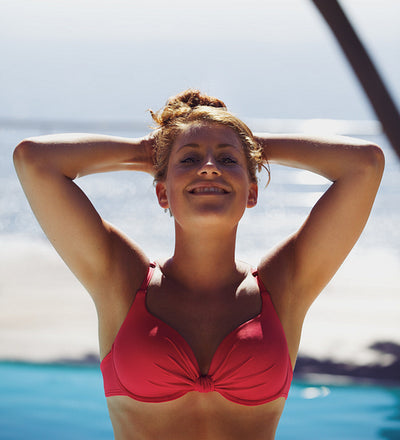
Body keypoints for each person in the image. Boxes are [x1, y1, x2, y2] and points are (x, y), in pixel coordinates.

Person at [13, 89, 384, 440]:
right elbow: (34, 159)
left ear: (252, 192)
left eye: (226, 160)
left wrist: (245, 144)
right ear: (162, 193)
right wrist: (154, 151)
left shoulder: (284, 285)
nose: (209, 167)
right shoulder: (122, 280)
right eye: (189, 159)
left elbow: (365, 164)